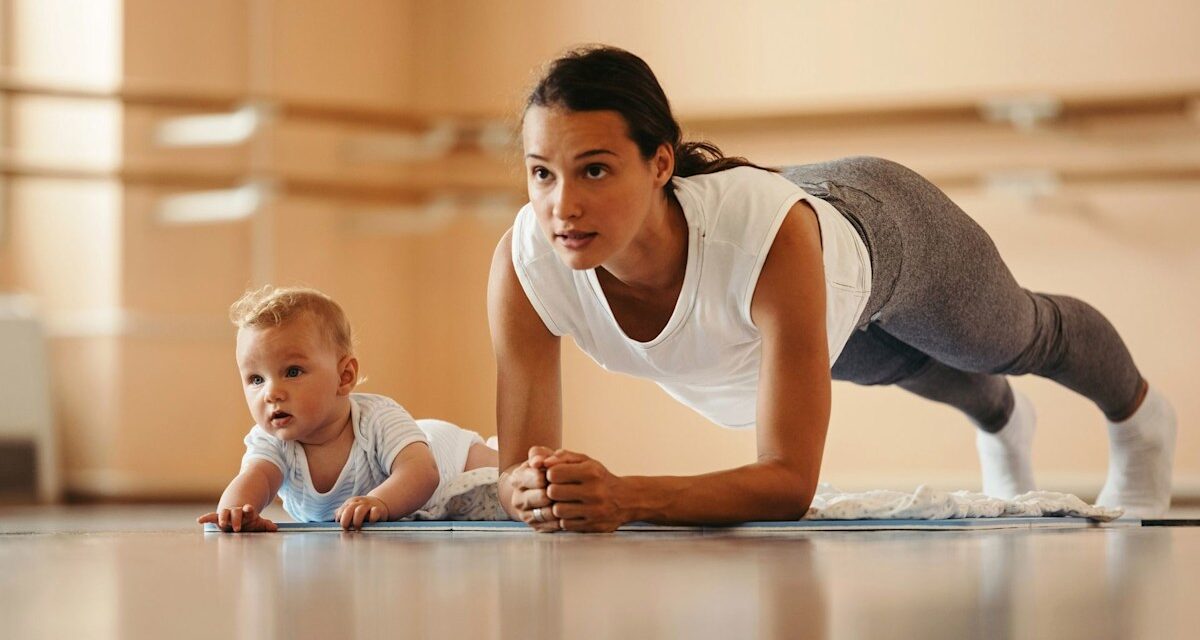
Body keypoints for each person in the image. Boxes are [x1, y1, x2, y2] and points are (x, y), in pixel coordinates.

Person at [487, 45, 1177, 532]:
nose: (562, 206)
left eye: (595, 171)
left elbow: (788, 482)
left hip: (881, 230)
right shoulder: (527, 264)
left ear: (660, 162)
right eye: (542, 173)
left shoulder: (766, 242)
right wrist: (533, 488)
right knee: (905, 367)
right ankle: (1003, 423)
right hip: (793, 302)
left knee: (1009, 339)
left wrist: (625, 497)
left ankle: (1142, 423)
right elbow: (513, 469)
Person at [198, 286, 497, 532]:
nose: (271, 393)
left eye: (292, 372)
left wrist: (379, 502)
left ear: (344, 377)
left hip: (444, 455)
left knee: (508, 472)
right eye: (256, 379)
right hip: (418, 493)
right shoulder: (273, 442)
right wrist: (235, 513)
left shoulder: (376, 418)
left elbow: (421, 472)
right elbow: (255, 480)